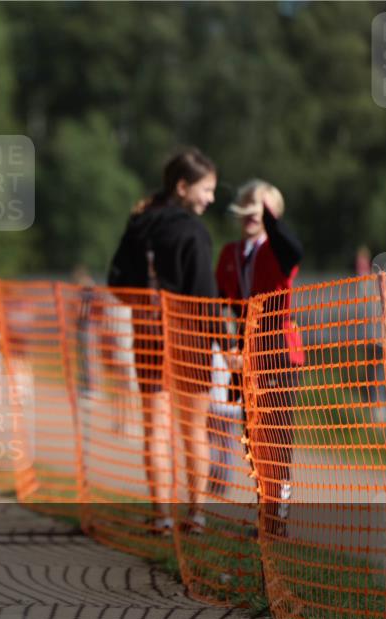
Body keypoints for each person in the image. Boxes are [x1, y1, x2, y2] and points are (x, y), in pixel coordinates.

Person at [107, 148, 219, 535]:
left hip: (149, 337)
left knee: (154, 428)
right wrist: (224, 343)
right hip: (191, 341)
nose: (211, 199)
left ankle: (161, 514)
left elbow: (116, 282)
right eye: (207, 190)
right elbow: (206, 297)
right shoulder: (193, 231)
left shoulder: (139, 223)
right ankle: (197, 514)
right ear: (184, 187)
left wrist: (144, 305)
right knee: (193, 429)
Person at [216, 180, 303, 536]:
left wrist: (269, 215)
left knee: (277, 431)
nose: (252, 214)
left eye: (260, 208)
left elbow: (293, 249)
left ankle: (278, 510)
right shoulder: (230, 254)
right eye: (247, 206)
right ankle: (263, 506)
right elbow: (218, 304)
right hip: (245, 351)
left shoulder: (278, 250)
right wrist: (227, 347)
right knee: (252, 434)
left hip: (279, 349)